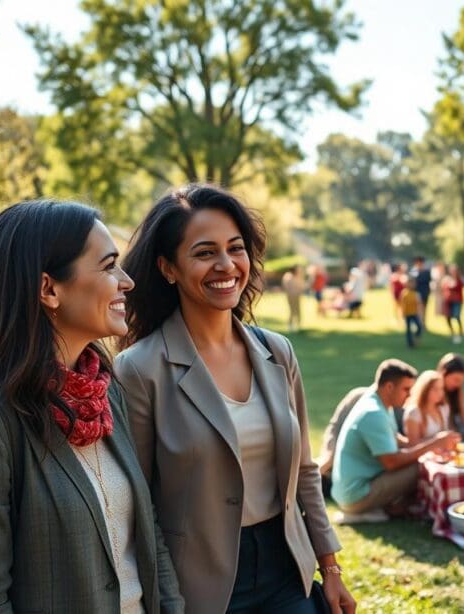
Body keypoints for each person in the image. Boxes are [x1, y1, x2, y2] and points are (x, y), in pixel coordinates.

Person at [116, 184, 355, 613]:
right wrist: (167, 599)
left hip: (288, 571)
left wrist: (330, 568)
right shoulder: (139, 369)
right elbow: (139, 502)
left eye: (235, 248)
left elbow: (303, 471)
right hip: (199, 589)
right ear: (168, 268)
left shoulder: (278, 352)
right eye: (205, 252)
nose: (226, 265)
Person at [0, 200, 183, 613]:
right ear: (48, 289)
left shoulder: (106, 394)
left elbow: (148, 532)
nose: (126, 282)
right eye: (108, 266)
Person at [331, 360, 460, 522]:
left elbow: (394, 439)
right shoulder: (374, 413)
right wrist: (433, 444)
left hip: (351, 490)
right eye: (406, 389)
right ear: (389, 387)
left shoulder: (379, 402)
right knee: (420, 467)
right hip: (355, 496)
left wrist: (431, 444)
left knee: (422, 460)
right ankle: (414, 508)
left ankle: (403, 506)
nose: (410, 395)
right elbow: (391, 462)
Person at [403, 370, 453, 445]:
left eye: (441, 388)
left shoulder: (444, 409)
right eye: (435, 389)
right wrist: (437, 440)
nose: (440, 393)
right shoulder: (414, 412)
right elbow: (412, 444)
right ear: (425, 390)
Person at [441, 264, 464, 344]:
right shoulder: (447, 279)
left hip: (457, 301)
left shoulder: (459, 279)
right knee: (448, 317)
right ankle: (452, 333)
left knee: (456, 316)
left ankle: (460, 333)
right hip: (448, 301)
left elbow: (457, 287)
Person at [399, 276, 422, 348]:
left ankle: (415, 337)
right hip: (407, 314)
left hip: (414, 313)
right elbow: (402, 304)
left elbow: (419, 304)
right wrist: (402, 313)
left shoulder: (416, 294)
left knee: (419, 326)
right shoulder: (404, 293)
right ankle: (410, 344)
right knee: (408, 329)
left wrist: (420, 313)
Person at [281, 264, 304, 332]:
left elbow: (301, 286)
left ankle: (298, 325)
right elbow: (287, 286)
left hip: (297, 296)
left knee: (298, 310)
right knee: (292, 310)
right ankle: (290, 325)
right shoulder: (288, 276)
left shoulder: (298, 276)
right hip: (291, 296)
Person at [412, 256, 432, 327]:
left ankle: (423, 322)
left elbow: (429, 282)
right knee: (418, 309)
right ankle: (419, 323)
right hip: (417, 292)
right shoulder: (414, 271)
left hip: (425, 292)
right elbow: (412, 282)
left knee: (424, 309)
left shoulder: (427, 272)